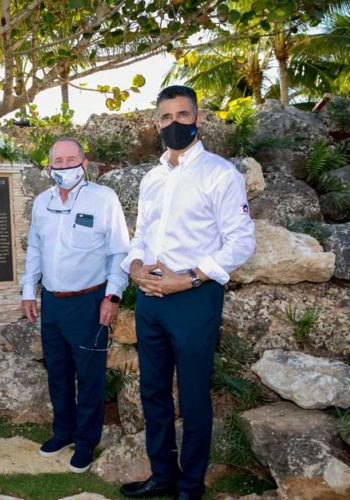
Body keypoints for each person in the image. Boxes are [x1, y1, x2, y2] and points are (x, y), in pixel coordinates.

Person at [119, 85, 256, 500]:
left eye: (182, 115)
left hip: (195, 298)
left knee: (194, 394)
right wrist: (136, 267)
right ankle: (163, 474)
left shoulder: (219, 174)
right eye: (166, 117)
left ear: (197, 119)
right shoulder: (152, 178)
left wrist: (191, 278)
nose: (174, 123)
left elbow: (241, 241)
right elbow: (141, 236)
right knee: (153, 390)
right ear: (156, 123)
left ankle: (191, 485)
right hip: (151, 299)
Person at [21, 137, 130, 473]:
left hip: (89, 302)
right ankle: (63, 432)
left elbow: (119, 252)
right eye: (58, 160)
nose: (64, 166)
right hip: (52, 302)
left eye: (71, 160)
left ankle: (85, 443)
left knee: (90, 376)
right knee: (59, 373)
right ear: (50, 166)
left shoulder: (104, 199)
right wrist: (29, 290)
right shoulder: (42, 202)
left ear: (84, 164)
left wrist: (112, 297)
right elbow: (35, 249)